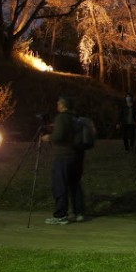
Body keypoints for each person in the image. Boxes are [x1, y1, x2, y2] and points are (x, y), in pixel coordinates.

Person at [43, 95, 85, 225]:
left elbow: (59, 136)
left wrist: (48, 137)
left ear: (63, 105)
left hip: (62, 157)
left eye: (58, 102)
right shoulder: (76, 118)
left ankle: (61, 214)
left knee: (60, 185)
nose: (57, 104)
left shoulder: (61, 118)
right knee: (74, 186)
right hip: (75, 157)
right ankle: (78, 213)